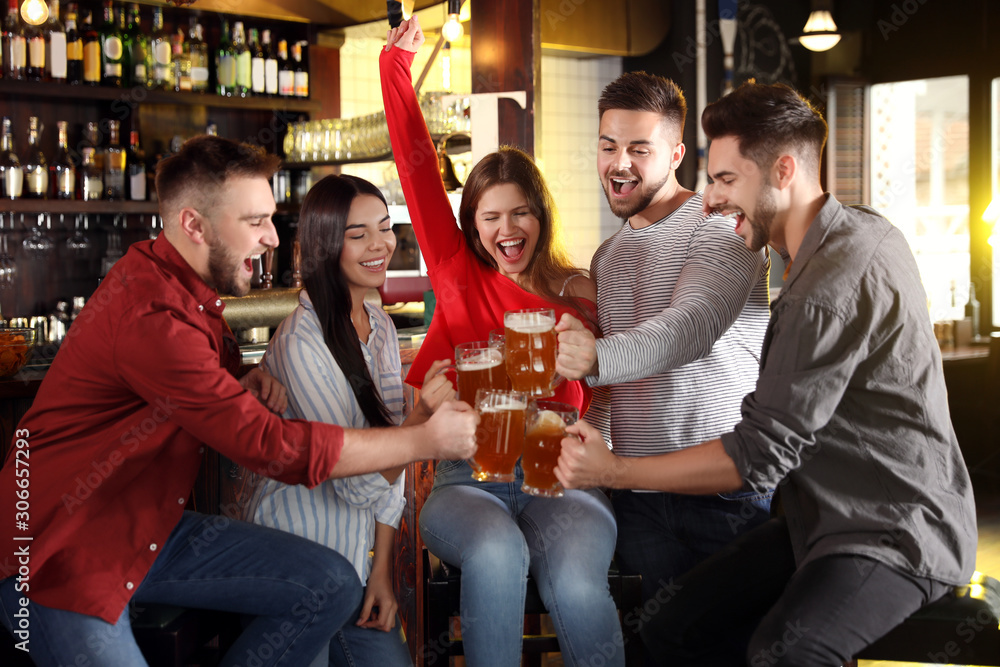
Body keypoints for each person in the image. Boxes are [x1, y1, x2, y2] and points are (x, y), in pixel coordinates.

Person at [0, 136, 477, 667]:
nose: (272, 237)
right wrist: (421, 437)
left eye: (270, 218)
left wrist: (240, 377)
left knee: (329, 583)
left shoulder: (183, 286)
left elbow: (188, 385)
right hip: (57, 552)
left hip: (153, 527)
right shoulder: (152, 315)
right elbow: (268, 445)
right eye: (255, 221)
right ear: (194, 225)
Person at [555, 81, 979, 666]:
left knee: (781, 655)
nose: (711, 199)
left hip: (890, 530)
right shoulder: (857, 234)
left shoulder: (822, 287)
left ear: (783, 171)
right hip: (819, 519)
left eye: (726, 180)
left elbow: (757, 451)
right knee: (672, 628)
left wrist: (615, 467)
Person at [380, 17, 624, 666]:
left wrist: (591, 414)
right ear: (472, 228)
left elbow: (619, 384)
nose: (506, 228)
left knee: (574, 580)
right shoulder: (459, 279)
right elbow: (414, 166)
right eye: (490, 217)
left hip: (561, 477)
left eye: (519, 212)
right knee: (497, 549)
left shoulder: (579, 291)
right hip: (471, 482)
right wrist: (395, 70)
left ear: (540, 216)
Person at [553, 69, 772, 660]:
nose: (618, 163)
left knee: (740, 650)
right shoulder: (608, 257)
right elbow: (613, 387)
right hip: (640, 496)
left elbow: (688, 330)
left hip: (727, 492)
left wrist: (593, 357)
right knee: (667, 650)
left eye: (638, 149)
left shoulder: (724, 223)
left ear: (676, 153)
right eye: (607, 146)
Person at [245, 174, 456, 667]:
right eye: (358, 234)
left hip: (355, 567)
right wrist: (422, 422)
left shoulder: (378, 324)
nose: (380, 244)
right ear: (324, 244)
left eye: (384, 228)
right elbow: (357, 484)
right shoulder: (303, 341)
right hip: (295, 564)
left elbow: (391, 459)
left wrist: (380, 569)